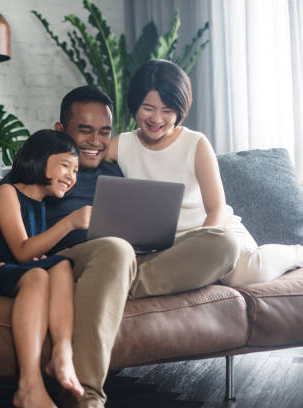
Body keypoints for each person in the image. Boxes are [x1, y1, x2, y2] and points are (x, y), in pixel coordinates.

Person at [0, 85, 240, 408]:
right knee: (115, 250)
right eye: (85, 131)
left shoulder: (114, 167)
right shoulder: (46, 169)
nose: (95, 142)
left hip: (127, 262)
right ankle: (86, 397)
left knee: (222, 243)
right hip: (70, 263)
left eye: (104, 132)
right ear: (61, 131)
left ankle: (108, 288)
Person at [106, 58, 303, 287]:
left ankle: (297, 253)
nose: (157, 119)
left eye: (167, 110)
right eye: (148, 108)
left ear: (179, 110)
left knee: (241, 275)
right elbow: (81, 161)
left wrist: (201, 247)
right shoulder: (122, 145)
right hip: (165, 246)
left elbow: (217, 208)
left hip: (214, 232)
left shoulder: (195, 143)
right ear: (134, 104)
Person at [0, 129, 88, 408]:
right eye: (65, 165)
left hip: (16, 272)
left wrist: (43, 256)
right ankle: (29, 387)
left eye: (76, 170)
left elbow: (31, 251)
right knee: (37, 274)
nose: (71, 176)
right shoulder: (6, 192)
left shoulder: (40, 205)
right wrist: (70, 222)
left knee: (61, 266)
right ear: (40, 159)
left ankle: (62, 352)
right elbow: (22, 250)